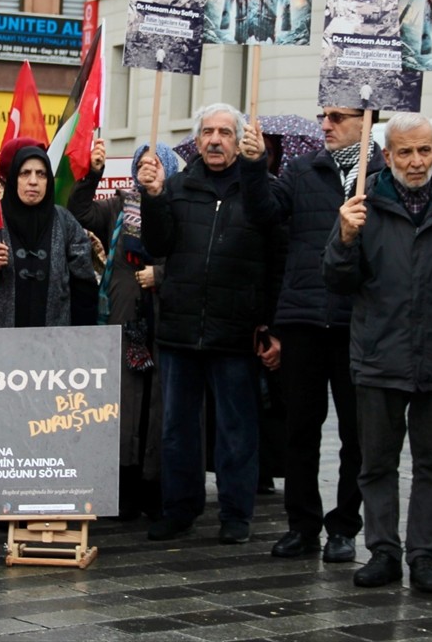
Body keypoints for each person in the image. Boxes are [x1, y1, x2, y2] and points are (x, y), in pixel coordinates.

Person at [322, 113, 432, 594]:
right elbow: (338, 281)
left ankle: (425, 556)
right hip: (379, 355)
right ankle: (384, 551)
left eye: (424, 150)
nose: (416, 161)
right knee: (376, 463)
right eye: (405, 151)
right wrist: (343, 239)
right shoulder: (363, 204)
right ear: (387, 156)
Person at [240, 107, 383, 563]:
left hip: (356, 323)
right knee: (300, 429)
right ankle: (302, 526)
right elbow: (263, 211)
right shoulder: (302, 170)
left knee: (356, 435)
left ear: (367, 119)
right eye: (324, 116)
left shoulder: (383, 175)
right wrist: (254, 164)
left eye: (337, 117)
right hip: (303, 319)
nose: (326, 124)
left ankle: (344, 527)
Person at [137, 103, 278, 545]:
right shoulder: (177, 187)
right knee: (178, 428)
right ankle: (180, 508)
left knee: (237, 429)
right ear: (196, 141)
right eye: (208, 132)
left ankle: (236, 513)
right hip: (180, 327)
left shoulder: (260, 189)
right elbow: (157, 244)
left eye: (225, 132)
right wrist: (154, 197)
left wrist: (268, 323)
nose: (215, 139)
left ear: (239, 141)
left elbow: (274, 246)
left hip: (234, 329)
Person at [0, 145, 98, 525]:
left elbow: (83, 279)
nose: (33, 182)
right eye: (26, 174)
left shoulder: (64, 223)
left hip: (48, 353)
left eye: (40, 175)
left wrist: (82, 342)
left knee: (38, 427)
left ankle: (37, 503)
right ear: (13, 180)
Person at [69, 139, 177, 520]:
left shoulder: (176, 205)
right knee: (122, 400)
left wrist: (160, 274)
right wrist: (92, 173)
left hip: (161, 317)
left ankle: (155, 482)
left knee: (156, 399)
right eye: (142, 163)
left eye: (156, 163)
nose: (148, 168)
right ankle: (122, 481)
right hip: (122, 313)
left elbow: (186, 255)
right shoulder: (118, 204)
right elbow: (79, 211)